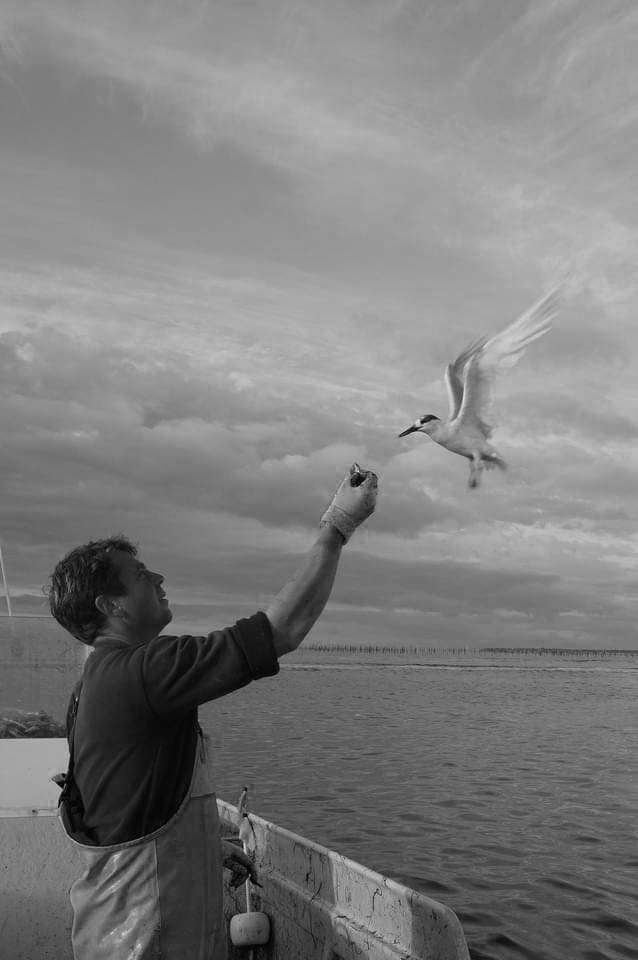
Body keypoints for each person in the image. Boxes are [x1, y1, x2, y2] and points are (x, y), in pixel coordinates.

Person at [49, 464, 378, 960]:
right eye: (140, 575)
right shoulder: (143, 672)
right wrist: (337, 527)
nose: (157, 576)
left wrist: (206, 851)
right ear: (110, 605)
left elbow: (125, 811)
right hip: (146, 943)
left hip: (120, 932)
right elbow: (280, 631)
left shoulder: (96, 684)